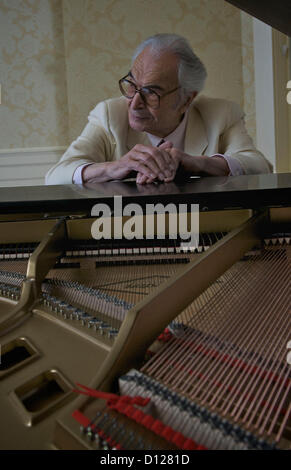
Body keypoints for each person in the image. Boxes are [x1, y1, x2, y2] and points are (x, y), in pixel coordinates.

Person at [45, 34, 272, 186]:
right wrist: (115, 168)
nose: (134, 103)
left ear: (186, 100)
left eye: (151, 92)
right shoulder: (109, 115)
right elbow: (56, 177)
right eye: (131, 85)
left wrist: (198, 163)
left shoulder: (220, 114)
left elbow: (260, 167)